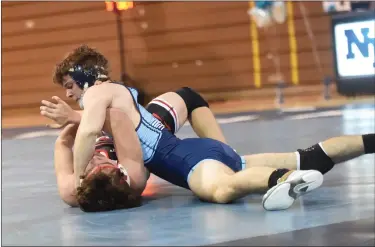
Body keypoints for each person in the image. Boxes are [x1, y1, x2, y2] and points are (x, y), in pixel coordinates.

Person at [43, 45, 374, 212]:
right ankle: (370, 141)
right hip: (197, 151)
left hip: (189, 162)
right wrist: (72, 116)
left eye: (71, 85)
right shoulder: (117, 93)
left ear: (86, 77)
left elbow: (88, 134)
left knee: (222, 190)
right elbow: (102, 125)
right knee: (310, 155)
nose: (70, 94)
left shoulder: (98, 94)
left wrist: (78, 178)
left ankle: (285, 180)